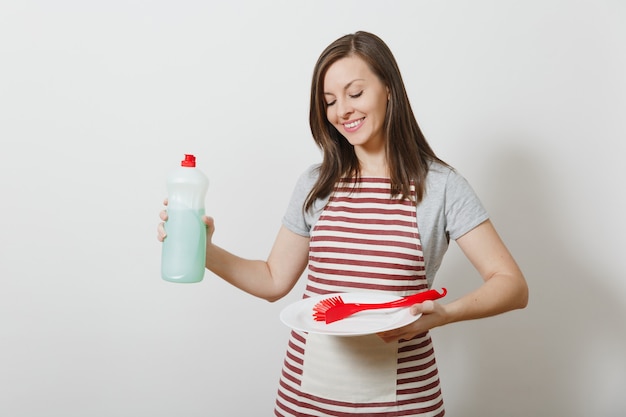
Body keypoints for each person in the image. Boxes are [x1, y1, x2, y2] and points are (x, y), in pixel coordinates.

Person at [157, 31, 528, 417]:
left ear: (388, 88)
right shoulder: (316, 184)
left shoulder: (441, 186)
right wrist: (202, 249)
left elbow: (512, 285)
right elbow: (272, 281)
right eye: (330, 101)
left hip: (405, 402)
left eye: (355, 93)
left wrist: (447, 315)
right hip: (307, 400)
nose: (342, 111)